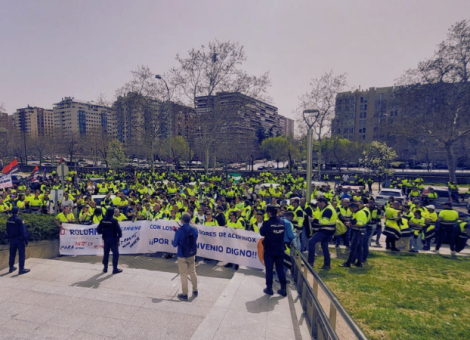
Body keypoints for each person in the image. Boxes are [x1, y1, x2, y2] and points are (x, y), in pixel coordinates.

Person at [260, 205, 288, 297]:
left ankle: (269, 288)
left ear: (269, 213)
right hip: (280, 249)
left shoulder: (267, 223)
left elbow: (261, 233)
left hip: (269, 250)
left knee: (269, 269)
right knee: (280, 268)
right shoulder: (282, 222)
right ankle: (283, 289)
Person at [172, 213, 199, 301]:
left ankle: (184, 294)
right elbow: (195, 237)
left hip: (182, 255)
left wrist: (173, 239)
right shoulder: (194, 228)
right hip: (191, 253)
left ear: (182, 220)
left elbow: (175, 244)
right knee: (193, 272)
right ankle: (195, 290)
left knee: (183, 275)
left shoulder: (179, 230)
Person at [308, 197, 337, 270]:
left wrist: (313, 220)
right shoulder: (328, 208)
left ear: (322, 202)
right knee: (324, 247)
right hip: (329, 230)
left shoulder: (327, 210)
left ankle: (310, 262)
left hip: (326, 230)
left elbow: (325, 221)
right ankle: (326, 265)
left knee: (311, 242)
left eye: (318, 203)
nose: (317, 204)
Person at [339, 202, 368, 268]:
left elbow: (360, 224)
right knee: (359, 247)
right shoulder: (358, 212)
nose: (350, 210)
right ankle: (359, 262)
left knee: (353, 247)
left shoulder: (359, 213)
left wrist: (350, 225)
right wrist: (350, 222)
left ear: (354, 208)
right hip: (361, 232)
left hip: (358, 232)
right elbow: (355, 221)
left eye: (350, 209)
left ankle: (348, 263)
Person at [97, 208, 123, 274]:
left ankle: (105, 268)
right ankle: (115, 269)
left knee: (106, 253)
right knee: (115, 254)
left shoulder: (102, 220)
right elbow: (119, 231)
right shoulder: (114, 221)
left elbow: (98, 230)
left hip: (106, 239)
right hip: (113, 239)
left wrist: (103, 233)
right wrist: (118, 237)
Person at [6, 207, 30, 274]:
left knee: (12, 254)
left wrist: (9, 237)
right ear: (17, 211)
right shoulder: (19, 220)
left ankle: (11, 267)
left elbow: (7, 230)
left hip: (12, 239)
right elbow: (22, 230)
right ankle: (21, 269)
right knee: (21, 254)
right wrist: (25, 239)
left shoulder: (9, 219)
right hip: (19, 239)